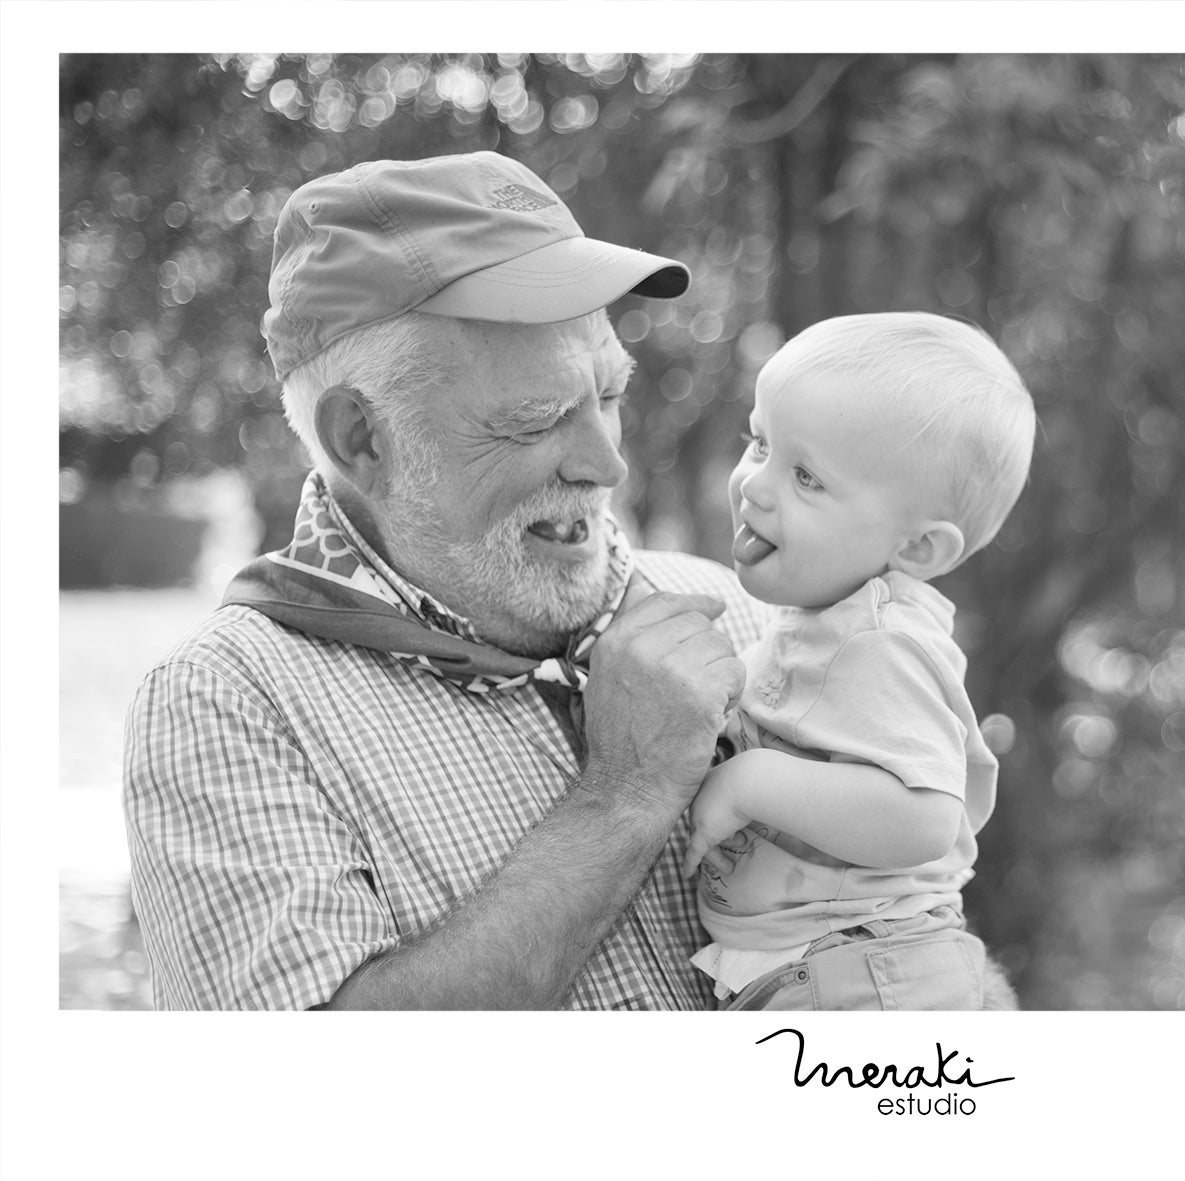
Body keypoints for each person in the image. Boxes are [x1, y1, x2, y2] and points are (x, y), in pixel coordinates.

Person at [124, 151, 765, 1009]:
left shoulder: (743, 613)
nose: (605, 463)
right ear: (363, 438)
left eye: (608, 394)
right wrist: (628, 794)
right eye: (536, 420)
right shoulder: (227, 703)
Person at [680, 313, 1036, 1009]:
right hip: (837, 969)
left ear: (918, 549)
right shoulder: (820, 618)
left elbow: (924, 817)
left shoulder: (882, 643)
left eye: (806, 476)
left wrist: (749, 781)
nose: (755, 485)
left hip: (871, 978)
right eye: (760, 443)